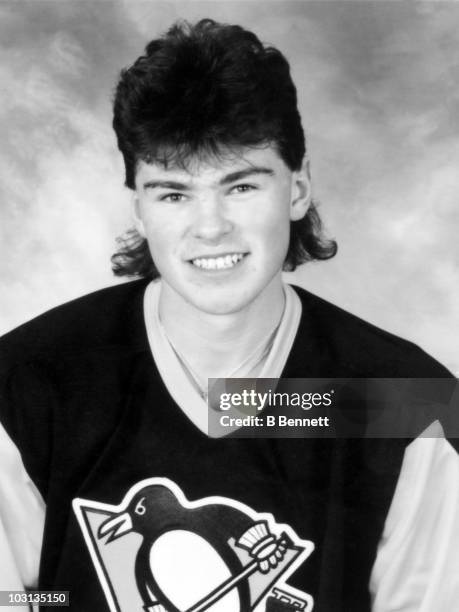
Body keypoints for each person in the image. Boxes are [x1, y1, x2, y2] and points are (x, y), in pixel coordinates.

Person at [0, 18, 457, 612]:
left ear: (297, 189)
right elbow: (18, 599)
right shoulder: (27, 386)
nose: (210, 227)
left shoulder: (406, 402)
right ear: (139, 207)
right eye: (173, 193)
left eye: (240, 187)